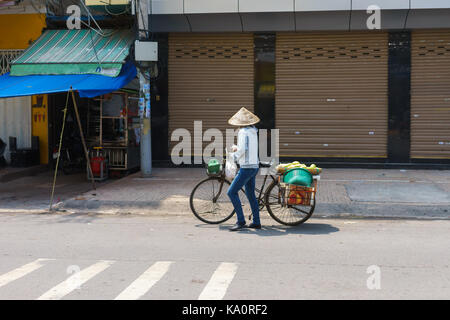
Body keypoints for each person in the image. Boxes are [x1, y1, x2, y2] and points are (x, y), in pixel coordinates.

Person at [227, 107, 261, 231]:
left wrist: (232, 157)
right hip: (254, 166)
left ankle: (240, 221)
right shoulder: (253, 131)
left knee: (231, 192)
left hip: (246, 168)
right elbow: (246, 147)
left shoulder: (243, 132)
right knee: (251, 194)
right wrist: (238, 149)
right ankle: (256, 221)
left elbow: (243, 149)